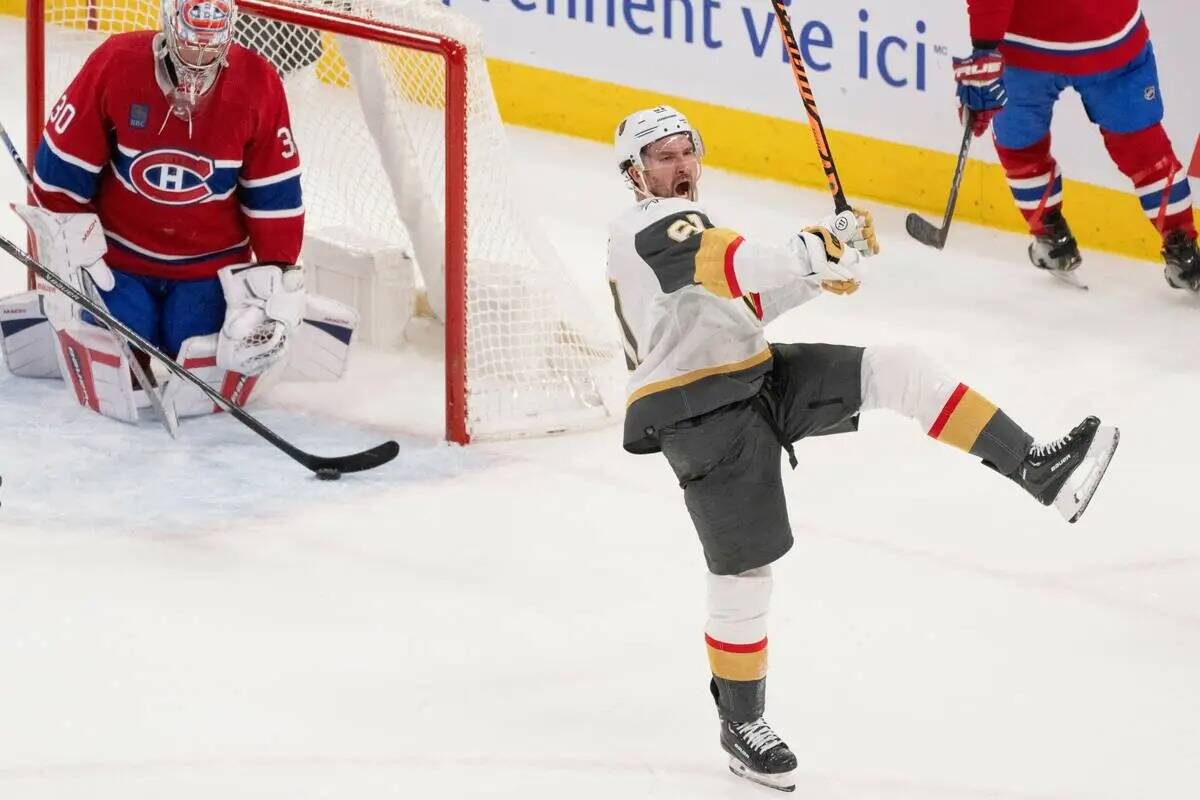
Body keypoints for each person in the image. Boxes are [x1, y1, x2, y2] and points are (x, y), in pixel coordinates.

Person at [607, 105, 1120, 792]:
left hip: (757, 375)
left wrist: (821, 270)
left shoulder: (689, 229)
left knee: (897, 366)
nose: (680, 167)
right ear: (635, 173)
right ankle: (740, 722)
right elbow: (731, 260)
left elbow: (744, 304)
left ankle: (1038, 469)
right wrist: (804, 251)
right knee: (744, 571)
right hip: (696, 410)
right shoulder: (648, 227)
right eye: (662, 157)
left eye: (685, 152)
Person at [7, 0, 312, 421]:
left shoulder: (257, 82)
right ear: (169, 26)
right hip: (118, 262)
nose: (200, 58)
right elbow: (61, 171)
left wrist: (273, 283)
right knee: (117, 356)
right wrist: (66, 245)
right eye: (191, 43)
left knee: (203, 362)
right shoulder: (117, 63)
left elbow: (274, 194)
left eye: (211, 46)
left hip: (208, 266)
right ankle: (66, 322)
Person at [954, 0, 1199, 290]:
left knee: (1020, 146)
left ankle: (1050, 236)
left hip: (1028, 48)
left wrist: (984, 49)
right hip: (1111, 37)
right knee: (1144, 149)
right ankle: (1182, 247)